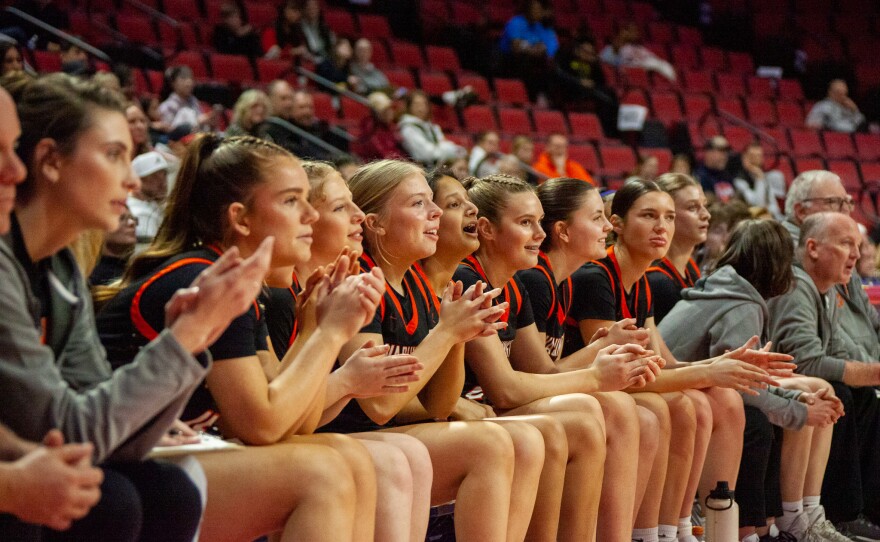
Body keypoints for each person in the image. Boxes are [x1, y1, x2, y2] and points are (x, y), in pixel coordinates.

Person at [0, 72, 278, 542]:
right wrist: (185, 338)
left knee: (167, 489)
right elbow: (69, 431)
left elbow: (104, 432)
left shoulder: (62, 266)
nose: (131, 180)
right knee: (110, 502)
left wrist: (187, 340)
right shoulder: (11, 265)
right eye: (114, 155)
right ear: (50, 160)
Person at [96, 132, 383, 541]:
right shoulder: (208, 278)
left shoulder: (242, 281)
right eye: (290, 201)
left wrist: (314, 330)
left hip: (154, 457)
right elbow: (262, 425)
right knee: (322, 474)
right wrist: (330, 335)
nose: (311, 216)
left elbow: (293, 422)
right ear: (240, 218)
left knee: (349, 457)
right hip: (114, 463)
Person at [321, 159, 546, 541]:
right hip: (352, 433)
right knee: (491, 444)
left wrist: (457, 337)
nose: (436, 212)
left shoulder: (416, 286)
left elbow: (439, 405)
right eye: (418, 204)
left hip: (393, 434)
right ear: (375, 223)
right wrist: (445, 333)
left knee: (525, 440)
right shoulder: (361, 281)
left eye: (433, 202)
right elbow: (380, 407)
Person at [566, 179, 790, 542]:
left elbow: (665, 363)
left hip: (614, 386)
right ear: (617, 225)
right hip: (588, 387)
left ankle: (692, 528)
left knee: (721, 398)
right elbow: (623, 374)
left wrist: (728, 363)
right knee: (684, 407)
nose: (662, 227)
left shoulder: (639, 281)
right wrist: (711, 370)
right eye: (649, 216)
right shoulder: (597, 277)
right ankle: (651, 531)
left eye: (669, 217)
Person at [442, 174, 663, 541]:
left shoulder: (516, 282)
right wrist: (595, 372)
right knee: (597, 411)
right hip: (475, 412)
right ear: (487, 230)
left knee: (605, 413)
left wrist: (596, 351)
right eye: (526, 223)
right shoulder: (477, 279)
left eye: (537, 221)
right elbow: (506, 390)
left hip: (486, 410)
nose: (539, 234)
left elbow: (542, 371)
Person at [661, 219, 847, 541]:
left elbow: (743, 378)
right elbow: (740, 386)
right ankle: (751, 528)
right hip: (679, 393)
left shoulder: (728, 287)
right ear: (776, 264)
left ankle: (790, 517)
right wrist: (800, 412)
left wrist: (797, 400)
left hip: (690, 387)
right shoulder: (740, 303)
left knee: (800, 400)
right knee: (759, 422)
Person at [778, 170, 880, 539]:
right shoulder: (795, 274)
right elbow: (805, 359)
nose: (857, 253)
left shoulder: (831, 267)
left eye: (848, 203)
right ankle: (828, 513)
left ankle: (847, 512)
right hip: (757, 374)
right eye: (836, 203)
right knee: (834, 393)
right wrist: (872, 372)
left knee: (853, 395)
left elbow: (867, 324)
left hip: (838, 364)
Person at [646, 173, 710, 323]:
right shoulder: (656, 280)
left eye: (705, 205)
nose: (706, 214)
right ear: (666, 216)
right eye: (692, 207)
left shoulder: (690, 266)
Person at [258, 81, 349, 160]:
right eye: (283, 98)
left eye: (290, 99)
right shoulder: (266, 127)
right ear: (269, 99)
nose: (288, 103)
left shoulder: (321, 128)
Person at [554, 37, 619, 136]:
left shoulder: (593, 65)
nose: (588, 55)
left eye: (591, 52)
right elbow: (560, 76)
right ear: (577, 50)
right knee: (605, 101)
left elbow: (601, 82)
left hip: (590, 91)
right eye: (586, 52)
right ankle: (608, 133)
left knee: (611, 95)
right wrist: (579, 81)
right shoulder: (567, 60)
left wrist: (595, 64)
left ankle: (615, 132)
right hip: (572, 90)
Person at [498, 0, 558, 102]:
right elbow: (516, 47)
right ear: (528, 9)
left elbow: (543, 47)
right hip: (508, 61)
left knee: (549, 66)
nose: (539, 12)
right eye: (536, 9)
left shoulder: (539, 27)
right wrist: (532, 49)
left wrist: (531, 48)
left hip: (531, 62)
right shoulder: (516, 22)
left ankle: (543, 98)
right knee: (527, 63)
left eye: (540, 10)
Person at [397, 90, 465, 166]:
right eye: (417, 104)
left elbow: (442, 143)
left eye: (424, 104)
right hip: (423, 168)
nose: (421, 108)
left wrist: (450, 149)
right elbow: (427, 154)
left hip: (439, 165)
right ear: (409, 107)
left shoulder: (432, 127)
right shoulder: (408, 128)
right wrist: (450, 150)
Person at [731, 142, 786, 220]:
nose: (756, 159)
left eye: (759, 155)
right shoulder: (739, 180)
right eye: (752, 156)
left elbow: (775, 206)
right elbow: (758, 205)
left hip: (774, 218)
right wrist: (759, 178)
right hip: (753, 219)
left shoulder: (771, 176)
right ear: (744, 158)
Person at [128, 150, 169, 251]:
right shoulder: (139, 214)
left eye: (164, 175)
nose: (162, 182)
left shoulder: (153, 204)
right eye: (154, 177)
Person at [158, 66, 217, 133]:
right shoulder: (166, 106)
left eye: (191, 78)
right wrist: (197, 121)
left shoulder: (194, 101)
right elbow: (171, 132)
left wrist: (209, 122)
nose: (189, 82)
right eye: (183, 78)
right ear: (173, 83)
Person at [89, 205, 137, 286]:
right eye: (121, 218)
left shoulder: (136, 268)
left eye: (133, 219)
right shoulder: (91, 276)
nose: (132, 223)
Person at [351, 91, 405, 161]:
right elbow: (387, 157)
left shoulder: (390, 126)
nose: (390, 112)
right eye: (385, 111)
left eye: (390, 109)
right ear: (376, 113)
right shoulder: (371, 132)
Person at [693, 135, 735, 200]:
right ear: (708, 152)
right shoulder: (698, 177)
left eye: (727, 152)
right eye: (721, 151)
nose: (725, 156)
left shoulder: (727, 175)